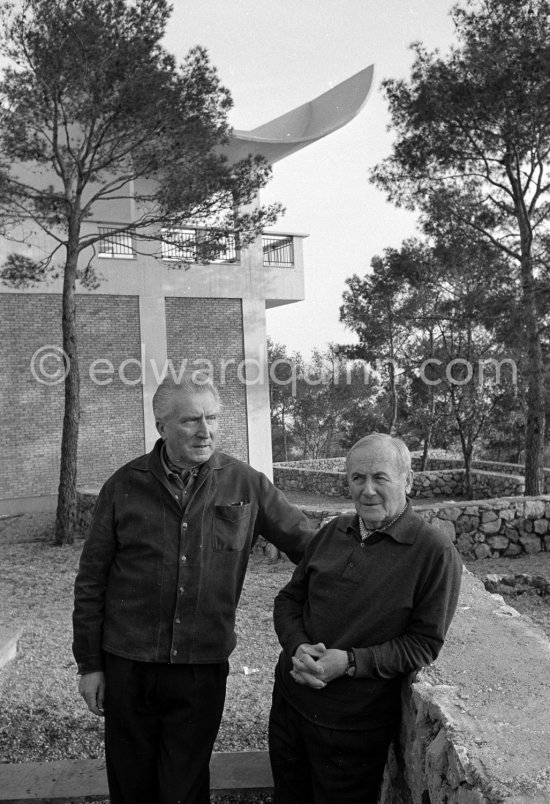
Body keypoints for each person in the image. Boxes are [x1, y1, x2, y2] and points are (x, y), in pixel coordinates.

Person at [72, 373, 314, 804]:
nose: (206, 431)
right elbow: (91, 582)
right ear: (161, 425)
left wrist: (373, 556)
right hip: (129, 663)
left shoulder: (246, 484)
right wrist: (90, 665)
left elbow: (309, 546)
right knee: (131, 785)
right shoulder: (123, 486)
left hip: (201, 665)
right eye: (190, 421)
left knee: (185, 787)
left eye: (213, 417)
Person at [269, 433, 463, 804]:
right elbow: (289, 600)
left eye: (380, 477)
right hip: (290, 707)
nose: (367, 490)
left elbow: (424, 644)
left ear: (407, 480)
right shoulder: (332, 531)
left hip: (353, 729)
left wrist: (349, 663)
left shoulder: (433, 553)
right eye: (357, 478)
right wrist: (297, 646)